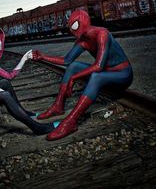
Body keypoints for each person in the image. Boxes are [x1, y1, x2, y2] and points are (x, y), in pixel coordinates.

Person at [32, 10, 133, 140]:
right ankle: (58, 106)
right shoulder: (83, 41)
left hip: (123, 74)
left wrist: (74, 78)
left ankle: (71, 122)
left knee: (97, 75)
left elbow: (98, 66)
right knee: (73, 66)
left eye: (74, 26)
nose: (73, 30)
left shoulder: (102, 34)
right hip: (107, 73)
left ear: (82, 23)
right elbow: (66, 60)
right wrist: (43, 57)